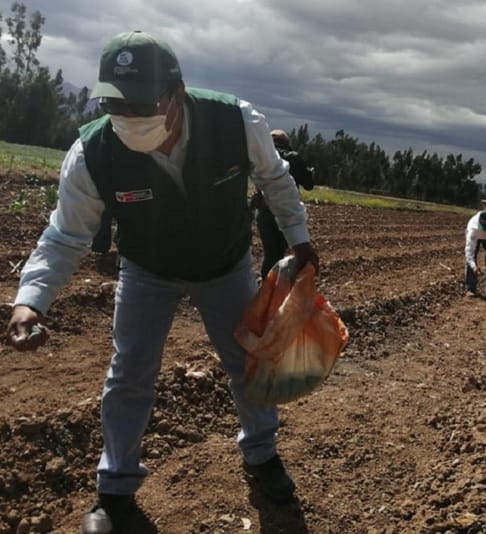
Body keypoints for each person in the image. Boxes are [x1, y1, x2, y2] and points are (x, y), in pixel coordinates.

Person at [5, 31, 319, 534]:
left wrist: (299, 239)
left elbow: (276, 180)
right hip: (148, 270)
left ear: (177, 92)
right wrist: (32, 302)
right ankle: (115, 489)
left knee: (247, 361)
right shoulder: (92, 153)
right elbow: (65, 235)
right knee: (129, 372)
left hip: (225, 265)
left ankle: (261, 455)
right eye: (114, 103)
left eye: (141, 102)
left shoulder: (236, 121)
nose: (127, 115)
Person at [250, 129, 314, 277]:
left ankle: (266, 288)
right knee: (278, 254)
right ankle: (274, 290)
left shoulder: (261, 156)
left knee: (270, 254)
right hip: (287, 211)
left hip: (264, 212)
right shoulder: (293, 157)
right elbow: (309, 185)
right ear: (286, 142)